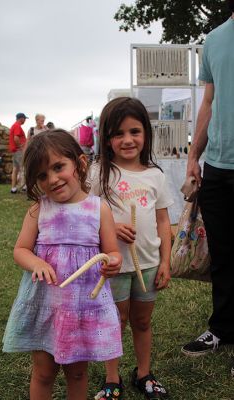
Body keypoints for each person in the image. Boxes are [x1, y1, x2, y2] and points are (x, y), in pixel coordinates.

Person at [3, 130, 123, 400]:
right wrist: (35, 262)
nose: (53, 179)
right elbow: (20, 249)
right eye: (43, 176)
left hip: (83, 306)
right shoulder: (38, 210)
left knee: (77, 373)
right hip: (48, 302)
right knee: (44, 372)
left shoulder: (98, 208)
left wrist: (113, 262)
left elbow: (112, 251)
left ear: (79, 163)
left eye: (59, 167)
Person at [90, 97, 173, 399]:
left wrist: (165, 262)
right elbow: (87, 218)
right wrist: (109, 229)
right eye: (118, 133)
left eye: (135, 131)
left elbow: (163, 221)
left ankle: (143, 373)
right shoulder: (98, 173)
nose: (127, 140)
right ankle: (112, 379)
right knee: (115, 321)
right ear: (106, 138)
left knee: (141, 320)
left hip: (149, 264)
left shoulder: (155, 174)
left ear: (146, 134)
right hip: (113, 266)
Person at [182, 0, 234, 379]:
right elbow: (209, 100)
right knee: (221, 253)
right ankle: (224, 329)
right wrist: (195, 154)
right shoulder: (214, 39)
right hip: (218, 165)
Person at [9, 112, 28, 193]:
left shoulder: (14, 125)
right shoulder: (17, 126)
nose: (25, 121)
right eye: (24, 119)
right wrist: (21, 147)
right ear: (21, 118)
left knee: (15, 169)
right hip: (18, 151)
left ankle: (13, 188)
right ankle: (24, 187)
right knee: (23, 168)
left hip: (14, 151)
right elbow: (16, 138)